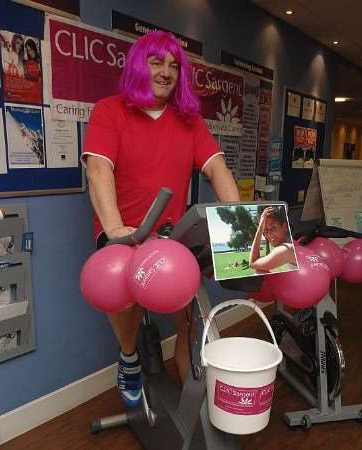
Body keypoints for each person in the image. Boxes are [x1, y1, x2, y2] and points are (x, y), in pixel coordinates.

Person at [82, 31, 240, 408]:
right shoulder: (110, 110)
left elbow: (218, 169)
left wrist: (238, 218)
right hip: (123, 232)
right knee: (127, 302)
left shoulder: (189, 121)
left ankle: (195, 397)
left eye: (174, 66)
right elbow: (98, 171)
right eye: (157, 63)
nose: (166, 72)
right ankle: (128, 355)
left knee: (190, 315)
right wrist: (116, 229)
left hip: (171, 237)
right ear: (140, 65)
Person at [249, 206, 296, 273]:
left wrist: (260, 226)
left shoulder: (285, 249)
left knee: (259, 271)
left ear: (284, 227)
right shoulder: (293, 242)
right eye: (265, 231)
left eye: (273, 227)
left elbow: (252, 262)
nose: (269, 234)